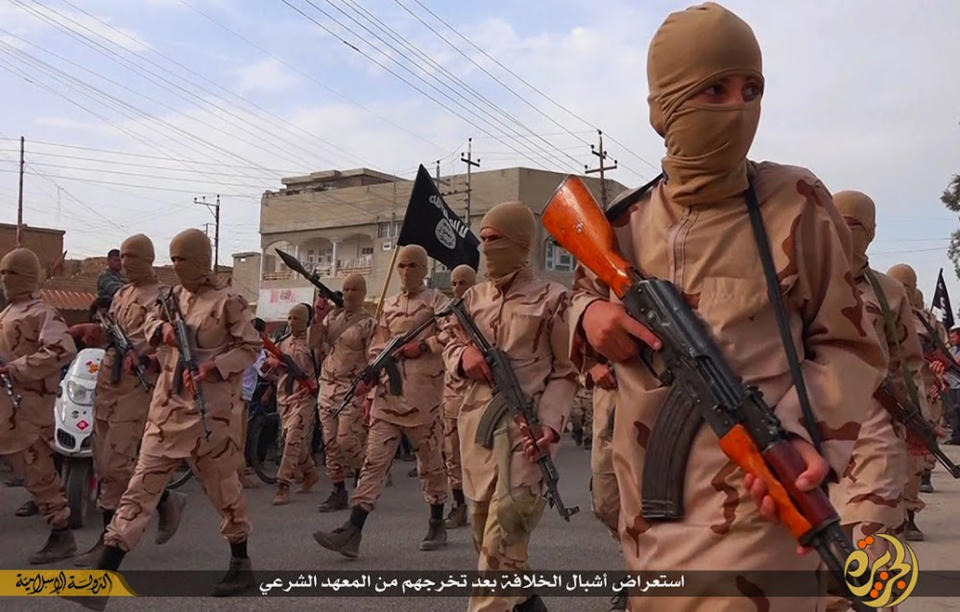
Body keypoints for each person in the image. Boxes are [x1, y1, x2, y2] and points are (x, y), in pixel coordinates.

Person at [570, 4, 886, 609]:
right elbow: (576, 303)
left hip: (757, 516)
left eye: (752, 90)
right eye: (713, 89)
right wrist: (587, 318)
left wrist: (804, 434)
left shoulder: (794, 202)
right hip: (648, 527)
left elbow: (850, 343)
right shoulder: (627, 223)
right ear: (666, 105)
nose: (738, 108)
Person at [94, 229, 262, 597]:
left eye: (182, 258)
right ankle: (102, 576)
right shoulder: (172, 297)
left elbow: (251, 347)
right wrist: (165, 332)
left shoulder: (227, 301)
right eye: (172, 259)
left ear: (201, 259)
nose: (176, 266)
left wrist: (213, 367)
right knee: (139, 488)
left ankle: (240, 562)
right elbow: (150, 323)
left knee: (224, 492)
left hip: (209, 416)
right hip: (167, 410)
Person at [444, 201, 578, 612]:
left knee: (504, 536)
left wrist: (552, 427)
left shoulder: (554, 299)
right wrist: (462, 359)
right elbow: (448, 342)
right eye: (482, 239)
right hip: (478, 434)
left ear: (520, 241)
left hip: (527, 433)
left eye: (494, 239)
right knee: (487, 534)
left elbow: (566, 371)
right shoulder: (471, 300)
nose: (486, 247)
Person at [313, 245, 448, 557]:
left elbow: (452, 334)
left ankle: (437, 520)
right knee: (373, 464)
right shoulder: (388, 305)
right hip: (388, 397)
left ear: (425, 270)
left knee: (431, 465)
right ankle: (353, 529)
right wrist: (373, 376)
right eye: (402, 265)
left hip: (423, 399)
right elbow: (377, 345)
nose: (407, 271)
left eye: (414, 265)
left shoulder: (438, 303)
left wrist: (424, 346)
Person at [828, 191, 922, 606]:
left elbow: (907, 364)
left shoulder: (888, 293)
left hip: (875, 426)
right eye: (842, 222)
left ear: (873, 233)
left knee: (875, 526)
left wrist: (913, 423)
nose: (851, 233)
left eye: (858, 225)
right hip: (809, 427)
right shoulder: (799, 279)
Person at [70, 234, 186, 566]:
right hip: (109, 381)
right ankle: (164, 499)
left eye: (132, 256)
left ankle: (109, 542)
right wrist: (90, 331)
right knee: (104, 462)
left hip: (138, 386)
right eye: (123, 255)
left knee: (116, 462)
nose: (126, 261)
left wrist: (149, 358)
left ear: (148, 258)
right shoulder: (121, 294)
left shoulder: (165, 297)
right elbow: (112, 332)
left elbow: (175, 342)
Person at [0, 248, 78, 564]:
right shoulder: (7, 313)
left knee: (37, 471)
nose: (6, 279)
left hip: (28, 408)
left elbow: (62, 349)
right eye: (2, 273)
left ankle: (61, 533)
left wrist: (15, 368)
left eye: (12, 273)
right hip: (6, 408)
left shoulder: (42, 313)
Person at [311, 273, 376, 512]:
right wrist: (318, 315)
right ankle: (338, 489)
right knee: (330, 442)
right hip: (328, 385)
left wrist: (368, 389)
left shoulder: (369, 323)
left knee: (346, 439)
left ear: (363, 294)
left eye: (354, 290)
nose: (349, 294)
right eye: (346, 289)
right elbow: (314, 344)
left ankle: (365, 476)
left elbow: (373, 358)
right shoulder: (332, 318)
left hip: (352, 387)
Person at [887, 264, 942, 537]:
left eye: (908, 285)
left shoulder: (928, 323)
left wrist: (936, 379)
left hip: (919, 395)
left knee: (914, 460)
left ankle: (908, 514)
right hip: (881, 396)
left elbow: (936, 359)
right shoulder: (878, 309)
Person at [263, 303, 320, 505]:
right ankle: (310, 472)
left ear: (305, 321)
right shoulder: (282, 342)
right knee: (290, 437)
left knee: (294, 435)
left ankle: (283, 484)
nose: (292, 321)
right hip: (284, 396)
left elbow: (323, 367)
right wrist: (275, 363)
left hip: (305, 396)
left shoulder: (314, 344)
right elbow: (268, 365)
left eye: (296, 318)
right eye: (289, 317)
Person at [440, 263, 477, 529]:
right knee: (452, 454)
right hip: (451, 395)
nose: (457, 288)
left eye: (463, 283)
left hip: (479, 396)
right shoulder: (446, 315)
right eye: (454, 283)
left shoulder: (484, 312)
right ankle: (459, 505)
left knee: (480, 454)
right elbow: (436, 342)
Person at [238, 318, 267, 488]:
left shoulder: (237, 343)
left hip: (232, 394)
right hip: (242, 396)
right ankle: (239, 477)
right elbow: (263, 370)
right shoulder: (254, 347)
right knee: (238, 439)